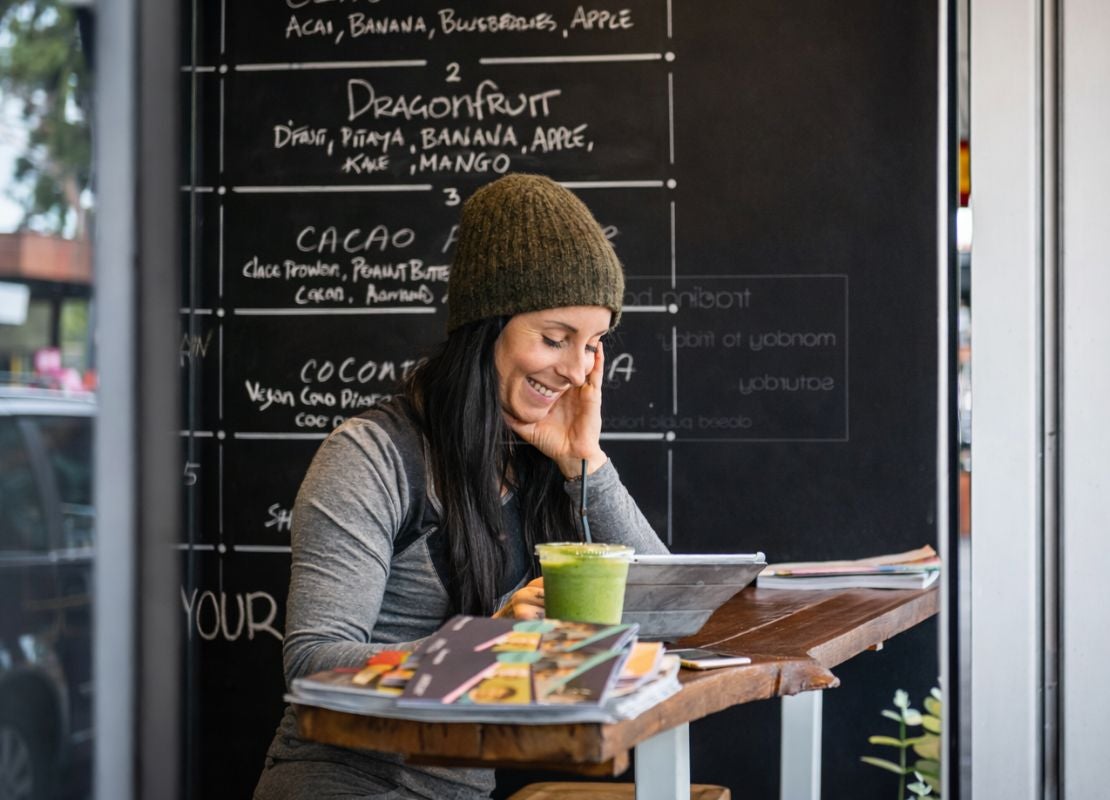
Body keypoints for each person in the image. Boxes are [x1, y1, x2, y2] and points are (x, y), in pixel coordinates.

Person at [253, 173, 668, 800]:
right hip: (344, 782)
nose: (577, 370)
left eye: (594, 345)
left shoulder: (538, 464)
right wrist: (485, 643)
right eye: (555, 339)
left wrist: (585, 462)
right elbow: (313, 660)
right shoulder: (371, 457)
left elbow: (663, 609)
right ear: (485, 326)